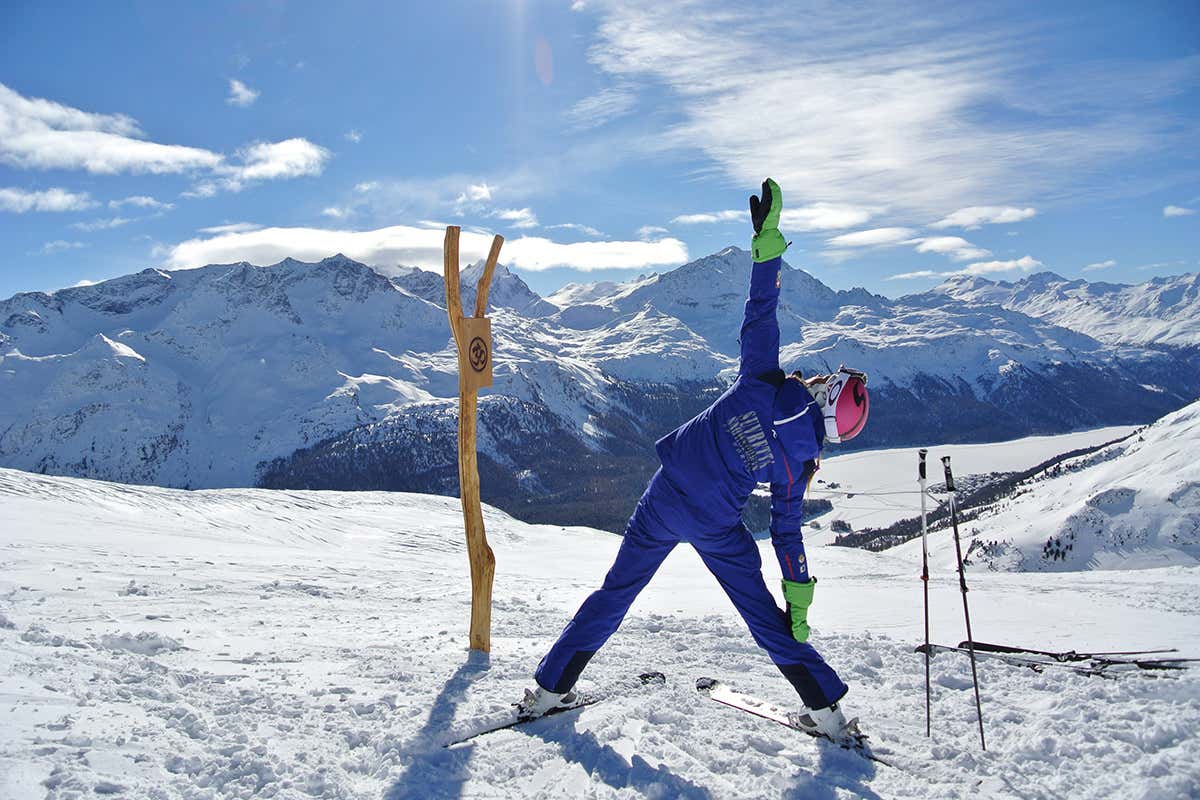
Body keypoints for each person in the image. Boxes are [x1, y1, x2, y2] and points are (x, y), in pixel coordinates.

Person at [519, 179, 871, 741]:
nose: (824, 378)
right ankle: (827, 712)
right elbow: (787, 534)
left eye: (831, 382)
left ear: (826, 395)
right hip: (716, 524)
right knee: (764, 621)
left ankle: (547, 692)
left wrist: (768, 247)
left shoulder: (763, 381)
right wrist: (798, 598)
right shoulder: (796, 468)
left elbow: (762, 312)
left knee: (615, 595)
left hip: (663, 497)